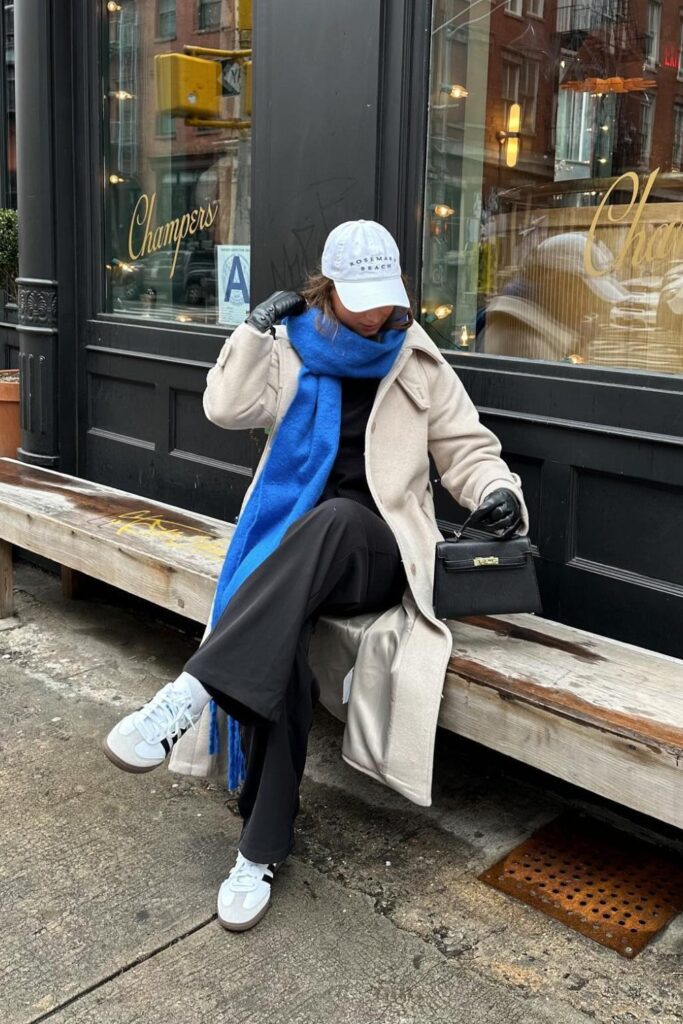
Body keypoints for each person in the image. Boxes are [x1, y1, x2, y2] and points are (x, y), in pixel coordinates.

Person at [103, 220, 527, 933]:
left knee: (332, 522)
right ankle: (260, 849)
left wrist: (498, 493)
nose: (373, 315)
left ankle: (190, 691)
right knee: (280, 663)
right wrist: (252, 330)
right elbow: (224, 408)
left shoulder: (418, 359)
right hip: (293, 550)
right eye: (357, 299)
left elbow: (467, 450)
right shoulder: (289, 345)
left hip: (380, 546)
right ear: (325, 291)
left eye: (382, 299)